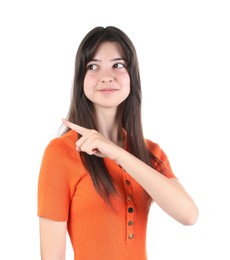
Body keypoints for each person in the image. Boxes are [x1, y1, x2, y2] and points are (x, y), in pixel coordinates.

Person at [37, 26, 199, 260]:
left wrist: (117, 153)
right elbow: (51, 256)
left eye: (117, 65)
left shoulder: (150, 152)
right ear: (80, 79)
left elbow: (189, 215)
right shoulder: (61, 152)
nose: (106, 76)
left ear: (132, 76)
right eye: (93, 66)